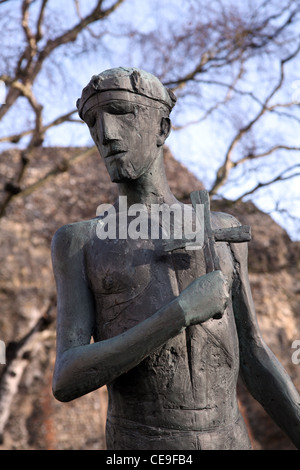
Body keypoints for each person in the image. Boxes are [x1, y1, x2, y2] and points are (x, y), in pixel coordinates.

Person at [51, 67, 300, 450]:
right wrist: (179, 313)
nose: (106, 133)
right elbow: (67, 378)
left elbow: (253, 355)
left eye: (121, 111)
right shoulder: (80, 241)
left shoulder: (222, 229)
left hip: (231, 441)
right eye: (93, 121)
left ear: (162, 129)